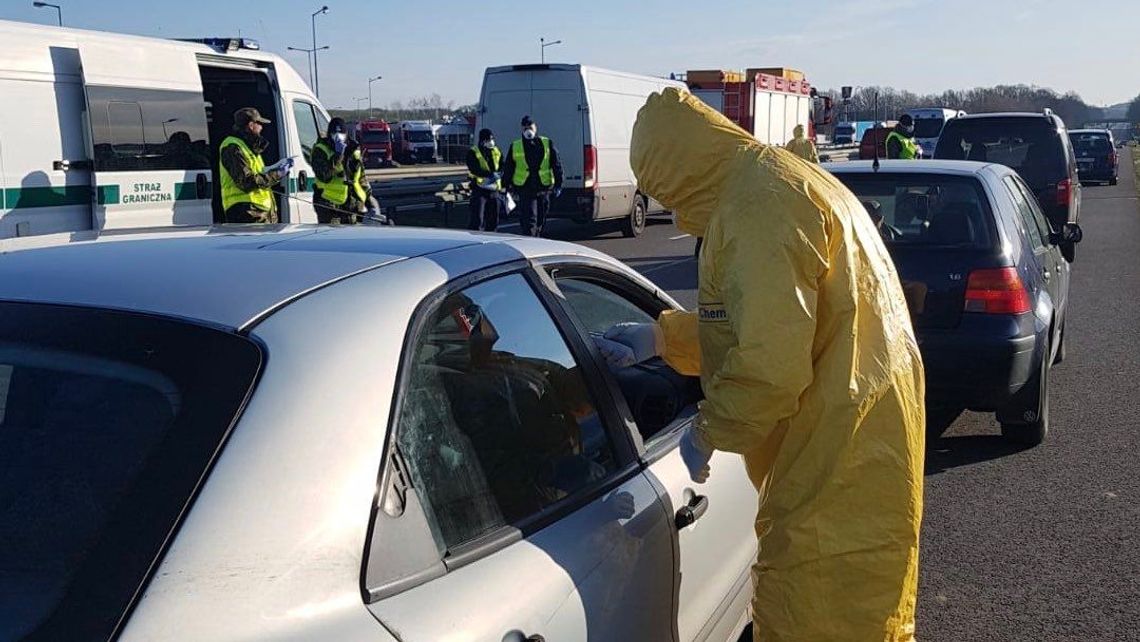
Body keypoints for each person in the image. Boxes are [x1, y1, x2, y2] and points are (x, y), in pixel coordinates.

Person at [598, 88, 925, 641]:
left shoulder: (758, 207)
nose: (668, 207)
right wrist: (661, 337)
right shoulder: (770, 185)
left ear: (679, 171)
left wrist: (710, 430)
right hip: (853, 438)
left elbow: (771, 365)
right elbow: (763, 325)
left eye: (662, 189)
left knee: (815, 618)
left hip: (836, 462)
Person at [218, 107, 291, 223]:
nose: (262, 127)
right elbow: (247, 181)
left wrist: (274, 170)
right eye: (260, 124)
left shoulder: (248, 147)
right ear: (251, 125)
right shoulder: (232, 147)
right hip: (247, 212)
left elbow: (257, 174)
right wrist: (277, 174)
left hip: (257, 211)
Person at [502, 115, 562, 237]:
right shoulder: (516, 145)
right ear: (521, 129)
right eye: (525, 128)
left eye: (530, 127)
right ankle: (529, 240)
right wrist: (505, 185)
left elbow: (556, 164)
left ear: (535, 127)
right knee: (530, 220)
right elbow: (509, 167)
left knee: (541, 219)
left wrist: (558, 184)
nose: (528, 130)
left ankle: (536, 237)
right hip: (525, 188)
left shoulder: (546, 143)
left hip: (543, 188)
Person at [313, 117, 369, 225]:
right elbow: (324, 176)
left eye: (341, 133)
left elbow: (361, 178)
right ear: (329, 134)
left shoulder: (353, 150)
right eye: (334, 133)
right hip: (328, 206)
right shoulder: (321, 150)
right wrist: (338, 155)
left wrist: (367, 201)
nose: (338, 136)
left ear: (346, 134)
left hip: (351, 206)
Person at [466, 128, 503, 231]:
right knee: (478, 219)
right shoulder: (473, 152)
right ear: (482, 140)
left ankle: (492, 236)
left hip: (494, 189)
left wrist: (500, 173)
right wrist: (490, 174)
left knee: (493, 220)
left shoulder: (496, 151)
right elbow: (474, 169)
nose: (491, 141)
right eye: (488, 139)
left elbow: (502, 164)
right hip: (480, 189)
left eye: (492, 139)